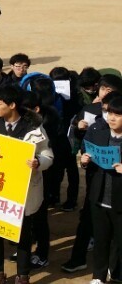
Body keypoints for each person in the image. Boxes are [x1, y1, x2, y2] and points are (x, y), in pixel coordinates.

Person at [0, 86, 53, 284]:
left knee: (23, 234)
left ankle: (23, 275)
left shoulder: (34, 128)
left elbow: (48, 155)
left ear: (12, 105)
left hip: (23, 191)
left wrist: (38, 162)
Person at [80, 92, 122, 284]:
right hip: (98, 197)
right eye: (110, 113)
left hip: (120, 200)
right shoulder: (98, 133)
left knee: (119, 241)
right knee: (101, 239)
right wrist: (84, 160)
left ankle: (116, 273)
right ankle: (98, 276)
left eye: (118, 114)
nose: (112, 118)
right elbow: (86, 152)